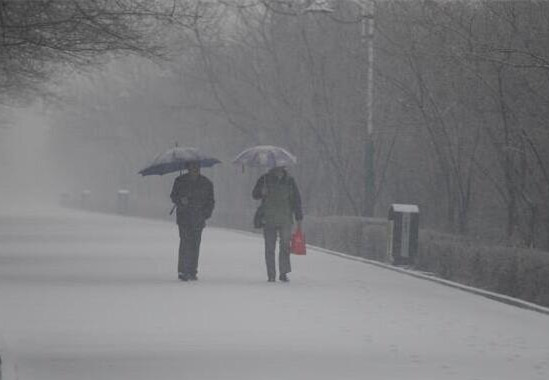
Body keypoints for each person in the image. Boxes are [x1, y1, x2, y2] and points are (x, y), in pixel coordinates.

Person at [252, 166, 303, 282]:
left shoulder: (290, 181)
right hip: (268, 218)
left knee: (285, 246)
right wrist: (261, 191)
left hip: (285, 219)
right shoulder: (264, 179)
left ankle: (283, 273)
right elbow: (254, 194)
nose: (278, 169)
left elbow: (296, 200)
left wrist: (299, 218)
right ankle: (271, 275)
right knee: (270, 248)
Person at [170, 161, 215, 281]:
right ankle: (183, 270)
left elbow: (211, 202)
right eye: (192, 167)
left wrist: (205, 214)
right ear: (188, 168)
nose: (195, 169)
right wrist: (180, 200)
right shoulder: (180, 181)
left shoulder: (206, 183)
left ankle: (192, 270)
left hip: (198, 219)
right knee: (185, 243)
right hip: (184, 218)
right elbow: (173, 196)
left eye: (196, 167)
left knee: (195, 244)